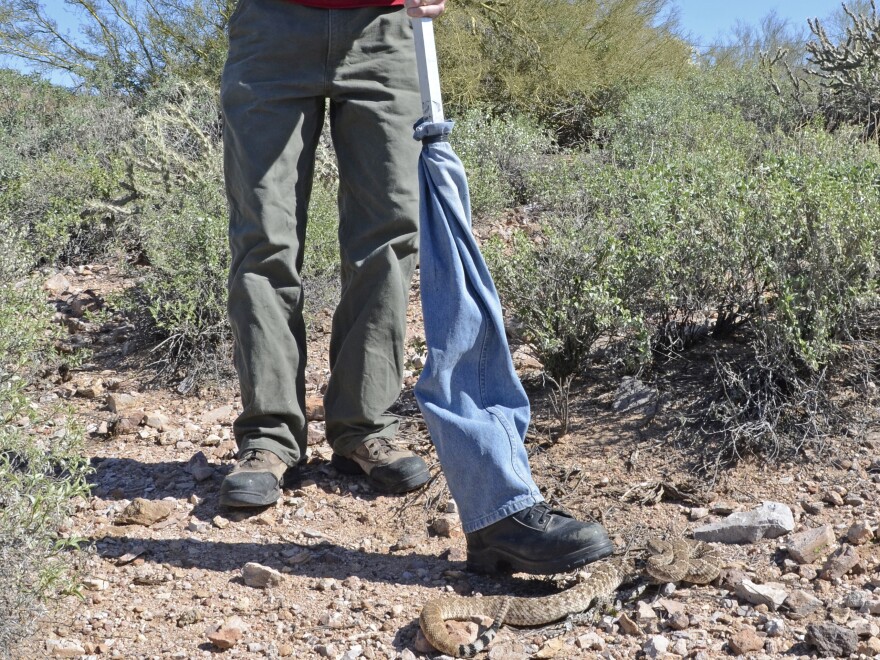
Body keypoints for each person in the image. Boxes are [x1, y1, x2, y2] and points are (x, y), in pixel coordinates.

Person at [218, 0, 614, 575]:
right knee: (264, 240)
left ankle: (364, 426)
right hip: (270, 27)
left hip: (384, 29)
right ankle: (271, 437)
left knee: (389, 237)